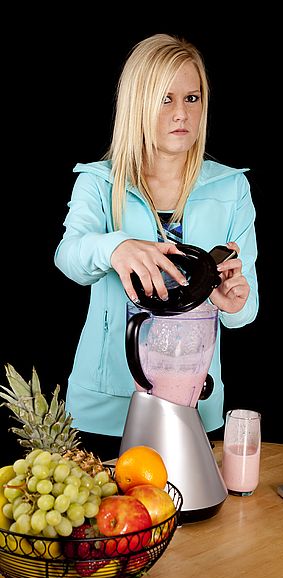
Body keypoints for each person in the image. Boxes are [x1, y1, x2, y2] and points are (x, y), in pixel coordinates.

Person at [54, 33, 259, 460]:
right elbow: (69, 255)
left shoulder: (232, 187)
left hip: (194, 402)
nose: (181, 113)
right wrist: (116, 247)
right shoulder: (99, 181)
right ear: (137, 103)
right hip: (104, 408)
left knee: (199, 525)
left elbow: (246, 307)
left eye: (192, 97)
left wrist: (234, 302)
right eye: (165, 98)